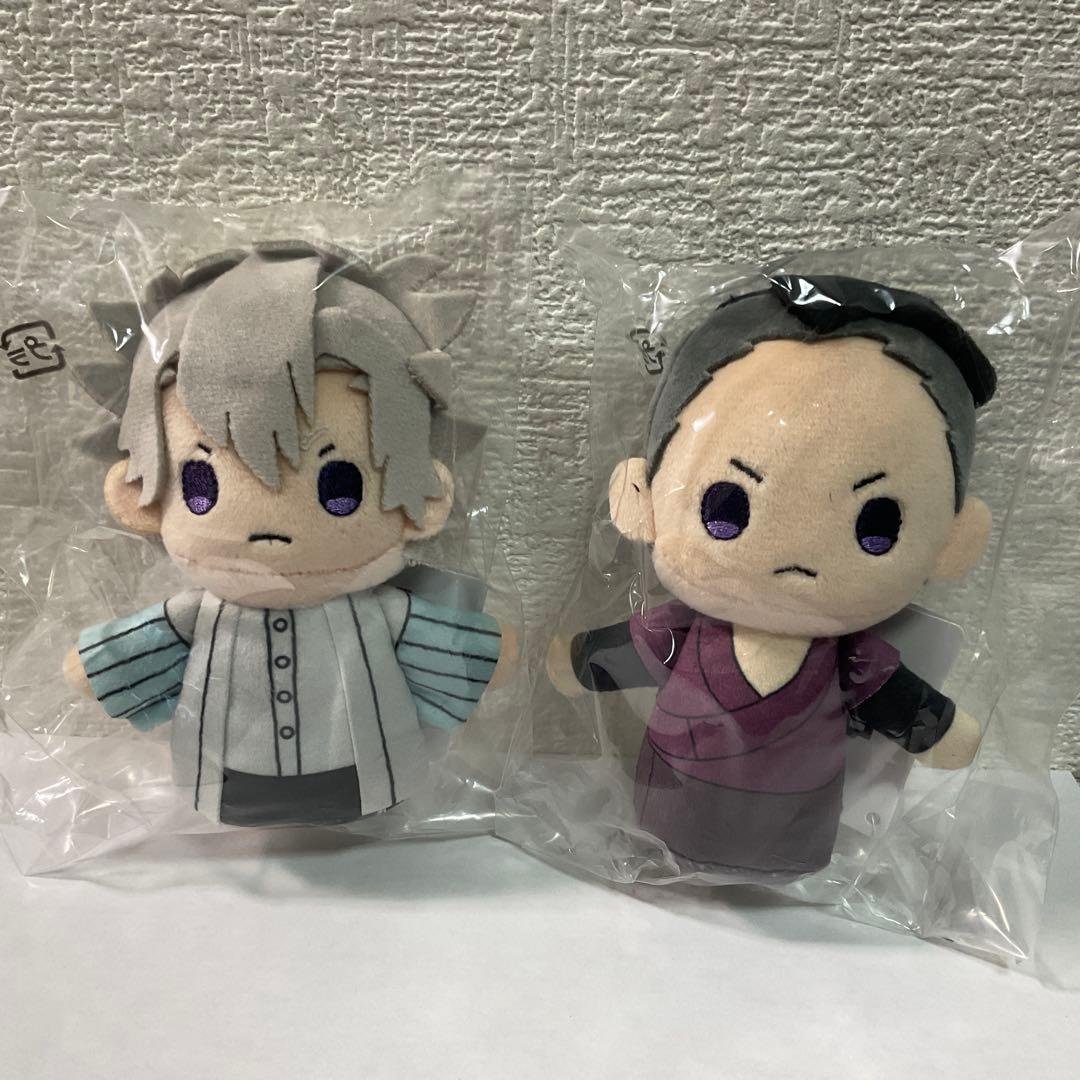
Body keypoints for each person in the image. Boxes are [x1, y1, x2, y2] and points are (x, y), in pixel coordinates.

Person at [552, 273, 994, 878]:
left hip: (797, 821)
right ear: (641, 497)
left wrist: (937, 730)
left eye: (876, 525)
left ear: (952, 542)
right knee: (670, 831)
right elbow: (629, 652)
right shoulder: (691, 632)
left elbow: (895, 698)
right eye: (727, 508)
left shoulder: (849, 655)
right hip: (674, 808)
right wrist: (580, 663)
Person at [64, 242, 511, 827]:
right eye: (201, 485)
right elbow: (135, 653)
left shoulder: (377, 614)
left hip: (368, 778)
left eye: (340, 485)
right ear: (138, 497)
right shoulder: (201, 617)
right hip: (226, 781)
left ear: (425, 501)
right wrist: (99, 665)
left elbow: (459, 657)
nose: (270, 530)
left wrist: (486, 656)